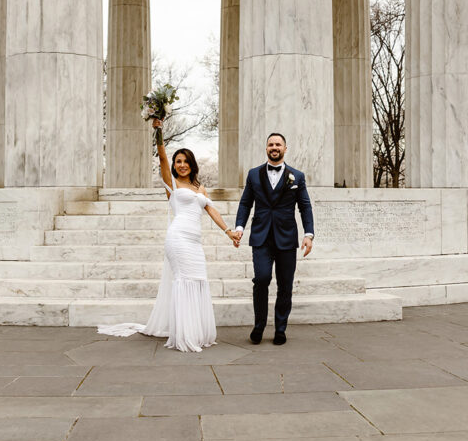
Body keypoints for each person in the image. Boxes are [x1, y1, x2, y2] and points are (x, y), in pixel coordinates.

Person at [98, 119, 237, 352]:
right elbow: (162, 157)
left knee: (199, 281)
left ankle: (197, 331)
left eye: (185, 161)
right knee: (184, 281)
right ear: (174, 165)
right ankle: (184, 336)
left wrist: (228, 232)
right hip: (178, 239)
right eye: (178, 161)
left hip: (195, 242)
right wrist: (158, 131)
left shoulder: (200, 189)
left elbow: (211, 210)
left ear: (192, 164)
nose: (181, 165)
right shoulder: (171, 184)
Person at [230, 133, 314, 346]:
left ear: (285, 148)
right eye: (270, 144)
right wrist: (240, 226)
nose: (274, 147)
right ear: (266, 148)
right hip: (261, 237)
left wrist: (308, 234)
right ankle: (259, 326)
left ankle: (280, 329)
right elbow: (245, 203)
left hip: (286, 238)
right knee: (262, 279)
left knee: (285, 285)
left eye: (278, 144)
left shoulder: (297, 176)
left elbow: (305, 206)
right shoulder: (253, 174)